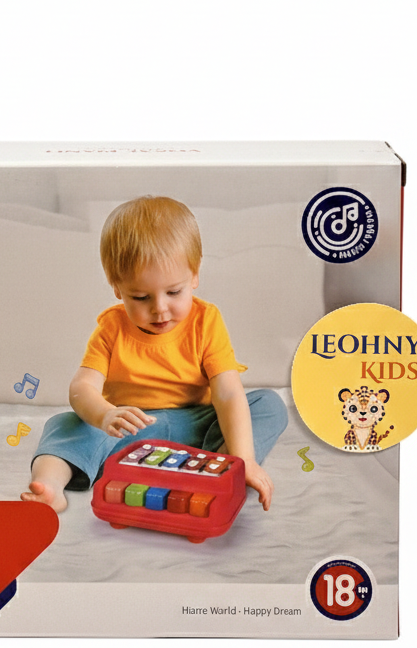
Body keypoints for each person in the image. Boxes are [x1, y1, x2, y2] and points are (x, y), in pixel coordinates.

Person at [21, 196, 287, 513]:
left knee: (269, 405)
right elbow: (82, 387)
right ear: (117, 288)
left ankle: (223, 465)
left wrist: (245, 458)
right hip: (131, 431)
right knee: (64, 423)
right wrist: (104, 415)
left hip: (197, 427)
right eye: (140, 297)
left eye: (174, 292)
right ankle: (50, 486)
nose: (160, 308)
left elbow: (228, 392)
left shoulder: (206, 321)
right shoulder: (111, 328)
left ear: (194, 275)